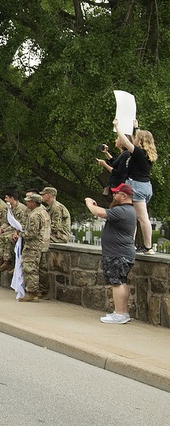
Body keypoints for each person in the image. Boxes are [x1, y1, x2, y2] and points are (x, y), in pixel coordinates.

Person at [85, 183, 138, 323]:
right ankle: (123, 312)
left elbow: (100, 213)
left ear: (124, 195)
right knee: (121, 282)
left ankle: (119, 314)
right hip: (121, 253)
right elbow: (105, 213)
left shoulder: (123, 210)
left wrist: (89, 203)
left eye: (116, 193)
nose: (114, 195)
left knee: (117, 283)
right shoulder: (127, 210)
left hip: (117, 254)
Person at [114, 120, 158, 254]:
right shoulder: (149, 154)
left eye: (137, 138)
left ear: (141, 141)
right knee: (134, 215)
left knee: (142, 217)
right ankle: (130, 244)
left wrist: (117, 127)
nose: (135, 139)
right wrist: (137, 127)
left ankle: (148, 247)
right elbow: (139, 137)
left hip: (136, 186)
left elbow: (126, 143)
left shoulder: (138, 153)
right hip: (146, 186)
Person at [19, 193, 51, 302]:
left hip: (33, 246)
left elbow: (31, 233)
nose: (26, 203)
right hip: (43, 245)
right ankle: (44, 291)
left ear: (33, 203)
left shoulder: (34, 215)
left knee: (30, 268)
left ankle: (32, 293)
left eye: (28, 201)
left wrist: (21, 233)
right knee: (42, 270)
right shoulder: (44, 212)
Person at [0, 190, 27, 273]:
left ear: (12, 198)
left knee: (7, 238)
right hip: (11, 229)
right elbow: (7, 222)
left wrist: (16, 232)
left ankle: (8, 261)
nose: (5, 199)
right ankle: (1, 260)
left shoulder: (22, 209)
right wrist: (0, 230)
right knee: (1, 237)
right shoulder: (10, 208)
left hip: (18, 230)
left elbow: (21, 224)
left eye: (7, 198)